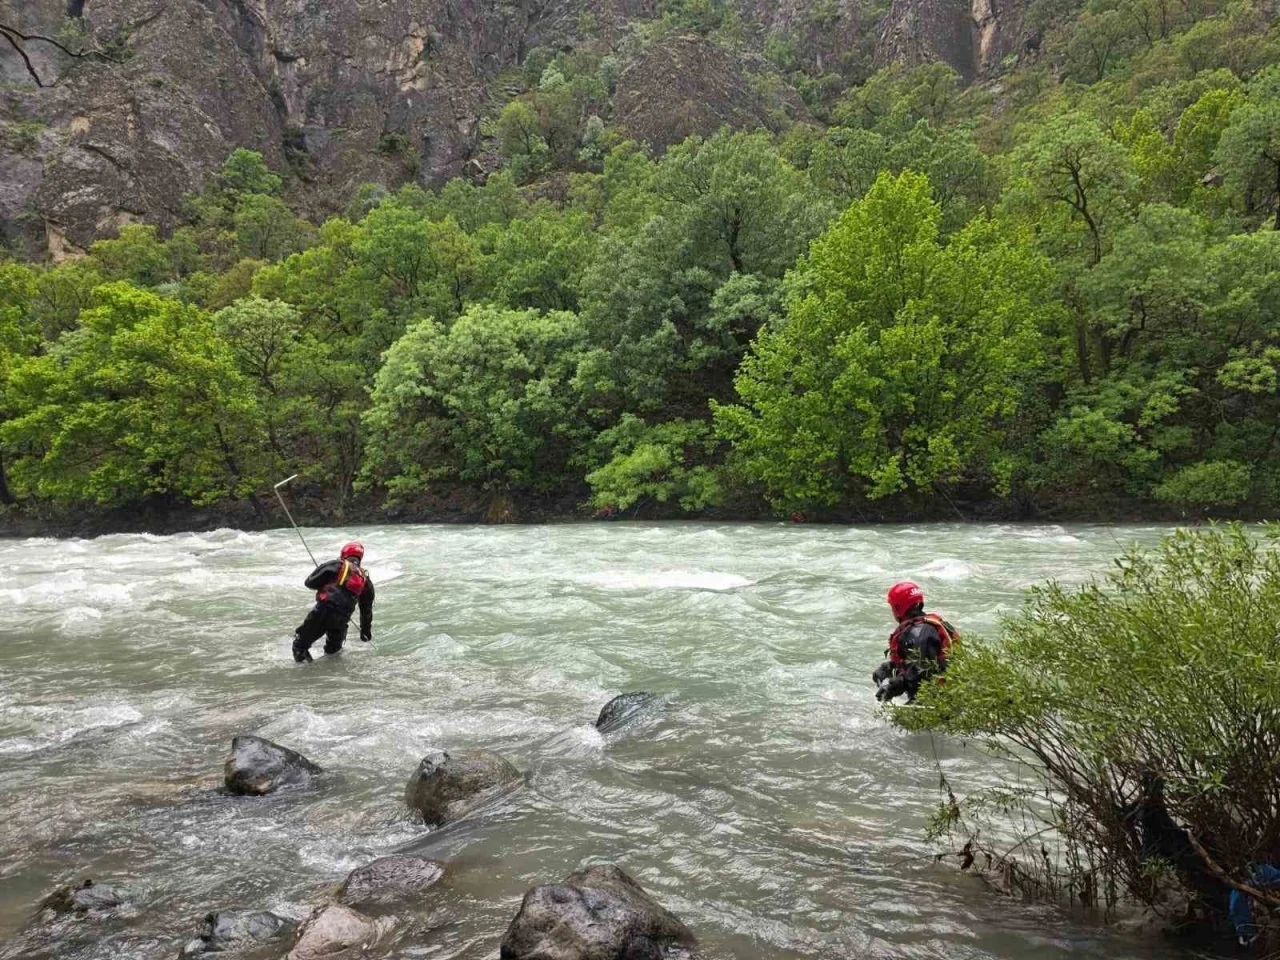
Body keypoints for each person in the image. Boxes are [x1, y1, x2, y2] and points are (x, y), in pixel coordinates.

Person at [872, 581, 957, 703]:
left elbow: (924, 669)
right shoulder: (926, 627)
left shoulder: (918, 633)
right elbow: (917, 661)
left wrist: (895, 686)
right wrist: (888, 667)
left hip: (939, 698)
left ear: (898, 608)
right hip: (943, 692)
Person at [292, 541, 375, 663]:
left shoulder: (336, 565)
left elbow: (309, 582)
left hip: (322, 612)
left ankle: (305, 672)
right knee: (333, 653)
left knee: (299, 646)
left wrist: (324, 583)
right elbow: (366, 609)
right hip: (342, 620)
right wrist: (365, 632)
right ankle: (331, 673)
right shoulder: (365, 579)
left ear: (343, 554)